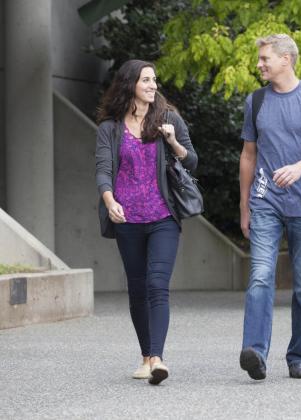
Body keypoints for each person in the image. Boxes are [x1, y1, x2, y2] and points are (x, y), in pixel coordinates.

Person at [95, 59, 197, 385]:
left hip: (163, 216)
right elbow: (102, 170)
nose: (153, 86)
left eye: (154, 80)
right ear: (130, 85)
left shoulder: (169, 120)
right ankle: (144, 356)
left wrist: (172, 141)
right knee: (137, 288)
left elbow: (191, 160)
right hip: (127, 218)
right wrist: (110, 201)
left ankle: (157, 358)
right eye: (146, 80)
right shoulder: (109, 128)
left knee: (157, 285)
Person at [239, 34, 301, 380]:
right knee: (261, 276)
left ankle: (298, 356)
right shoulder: (257, 101)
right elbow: (248, 155)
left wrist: (299, 168)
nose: (259, 64)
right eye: (260, 58)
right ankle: (255, 353)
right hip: (266, 201)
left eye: (265, 58)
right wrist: (244, 206)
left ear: (286, 59)